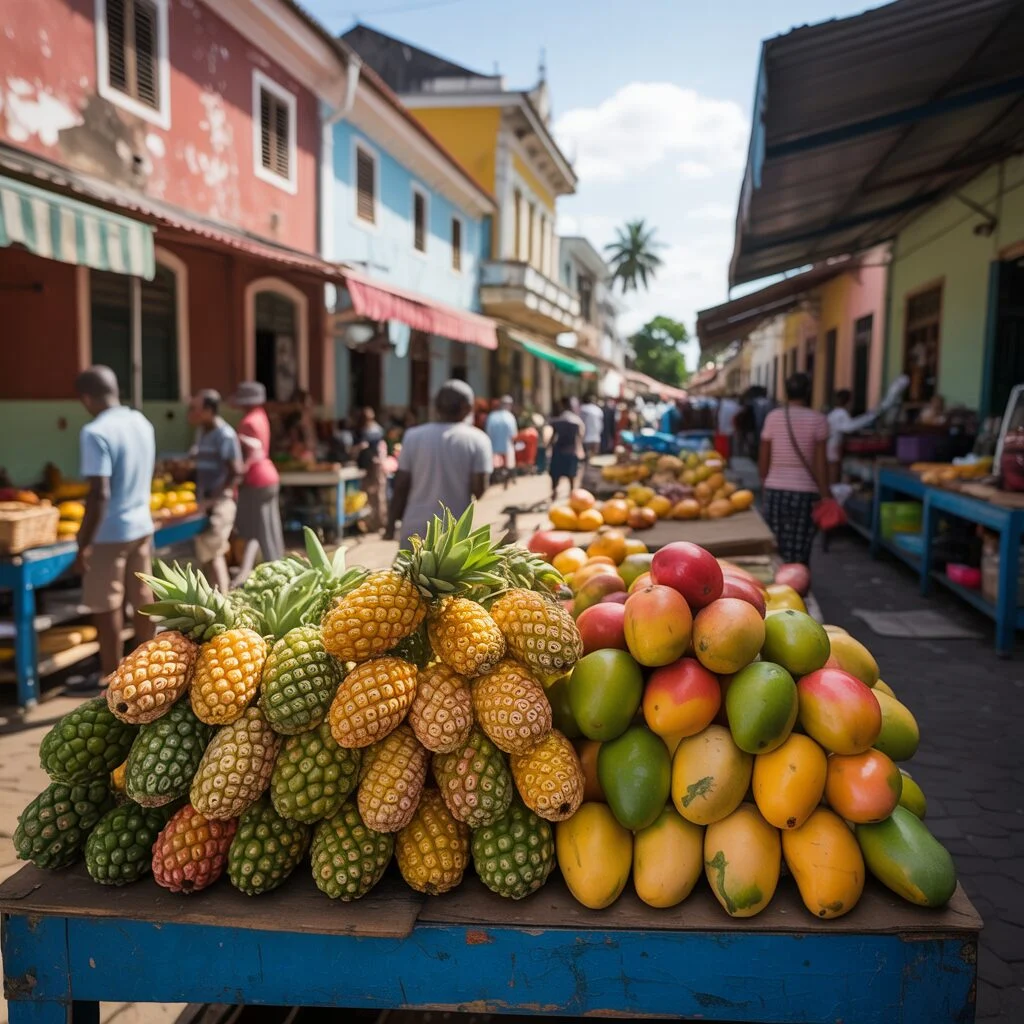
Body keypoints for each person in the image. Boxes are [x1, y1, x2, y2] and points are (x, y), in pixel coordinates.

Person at [73, 366, 156, 686]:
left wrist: (84, 542)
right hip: (141, 524)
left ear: (87, 398)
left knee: (105, 603)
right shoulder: (141, 422)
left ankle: (110, 675)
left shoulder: (95, 432)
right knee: (141, 595)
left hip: (110, 531)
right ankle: (144, 664)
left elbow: (99, 493)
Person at [384, 379, 492, 548]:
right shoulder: (478, 440)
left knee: (404, 575)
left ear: (436, 407)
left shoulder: (413, 436)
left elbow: (400, 486)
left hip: (414, 531)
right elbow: (479, 489)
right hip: (452, 536)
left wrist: (390, 526)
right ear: (468, 408)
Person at [759, 372, 830, 566]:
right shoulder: (818, 419)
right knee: (799, 551)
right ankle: (798, 589)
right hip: (805, 493)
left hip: (775, 490)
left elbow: (764, 455)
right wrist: (825, 494)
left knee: (775, 547)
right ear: (808, 391)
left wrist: (765, 483)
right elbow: (820, 463)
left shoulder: (773, 417)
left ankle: (778, 589)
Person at [188, 389, 243, 593]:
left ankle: (224, 601)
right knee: (206, 555)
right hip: (205, 504)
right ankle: (215, 601)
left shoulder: (225, 435)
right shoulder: (202, 432)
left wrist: (216, 499)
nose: (191, 413)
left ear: (209, 410)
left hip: (220, 505)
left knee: (214, 554)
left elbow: (236, 472)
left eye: (195, 409)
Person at [230, 381, 284, 573]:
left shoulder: (248, 422)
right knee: (268, 526)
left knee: (256, 530)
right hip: (269, 476)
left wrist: (238, 474)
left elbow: (252, 454)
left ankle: (272, 570)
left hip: (256, 479)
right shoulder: (261, 416)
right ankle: (274, 566)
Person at [354, 407, 387, 531]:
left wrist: (357, 449)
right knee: (368, 494)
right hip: (368, 466)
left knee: (377, 494)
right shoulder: (366, 429)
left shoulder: (374, 430)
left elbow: (366, 444)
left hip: (375, 465)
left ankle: (379, 523)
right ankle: (370, 523)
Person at [549, 396, 585, 501]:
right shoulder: (576, 421)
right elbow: (580, 436)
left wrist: (549, 447)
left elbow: (552, 437)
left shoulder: (558, 420)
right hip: (571, 450)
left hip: (559, 450)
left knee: (556, 474)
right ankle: (572, 493)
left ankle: (554, 493)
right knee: (571, 474)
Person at [485, 395, 518, 482]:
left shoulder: (492, 416)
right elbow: (513, 435)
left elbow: (488, 432)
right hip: (506, 449)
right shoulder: (510, 417)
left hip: (493, 448)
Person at [716, 394, 740, 461]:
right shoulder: (733, 405)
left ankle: (726, 459)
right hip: (728, 429)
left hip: (725, 428)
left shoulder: (725, 405)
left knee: (726, 446)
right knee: (728, 445)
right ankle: (727, 459)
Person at [579, 393, 604, 460]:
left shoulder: (583, 409)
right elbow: (601, 424)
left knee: (586, 458)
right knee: (594, 458)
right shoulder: (598, 410)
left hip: (586, 437)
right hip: (596, 437)